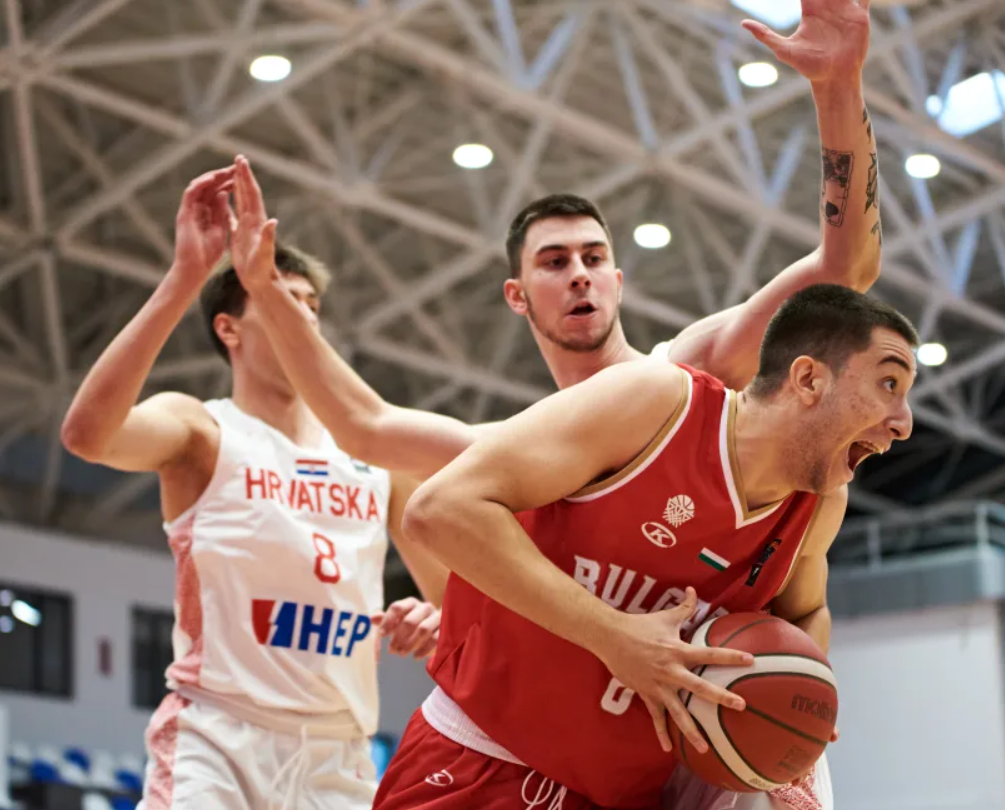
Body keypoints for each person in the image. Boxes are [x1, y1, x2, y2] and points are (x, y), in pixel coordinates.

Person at [225, 0, 877, 803]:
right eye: (554, 261)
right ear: (516, 294)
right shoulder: (511, 450)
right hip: (546, 751)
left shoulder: (682, 377)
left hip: (707, 740)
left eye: (594, 258)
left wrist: (838, 88)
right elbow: (364, 426)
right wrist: (267, 293)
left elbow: (843, 269)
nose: (578, 275)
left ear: (618, 281)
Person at [384, 285, 918, 810]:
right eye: (889, 383)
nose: (904, 424)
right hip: (478, 764)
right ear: (808, 379)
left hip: (632, 797)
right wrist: (612, 635)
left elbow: (805, 613)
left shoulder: (819, 506)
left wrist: (792, 710)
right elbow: (439, 510)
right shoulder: (659, 404)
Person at [59, 166, 446, 810]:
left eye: (311, 305)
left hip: (339, 751)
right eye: (278, 299)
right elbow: (87, 435)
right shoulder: (202, 431)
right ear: (229, 329)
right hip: (218, 736)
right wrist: (185, 276)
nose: (303, 318)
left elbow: (459, 607)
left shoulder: (378, 454)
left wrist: (436, 620)